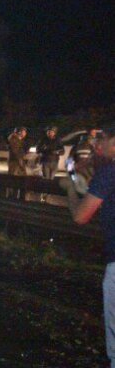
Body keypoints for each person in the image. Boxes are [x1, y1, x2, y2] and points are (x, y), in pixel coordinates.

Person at [62, 128, 115, 366]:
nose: (96, 144)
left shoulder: (109, 172)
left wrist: (70, 190)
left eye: (101, 140)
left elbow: (81, 216)